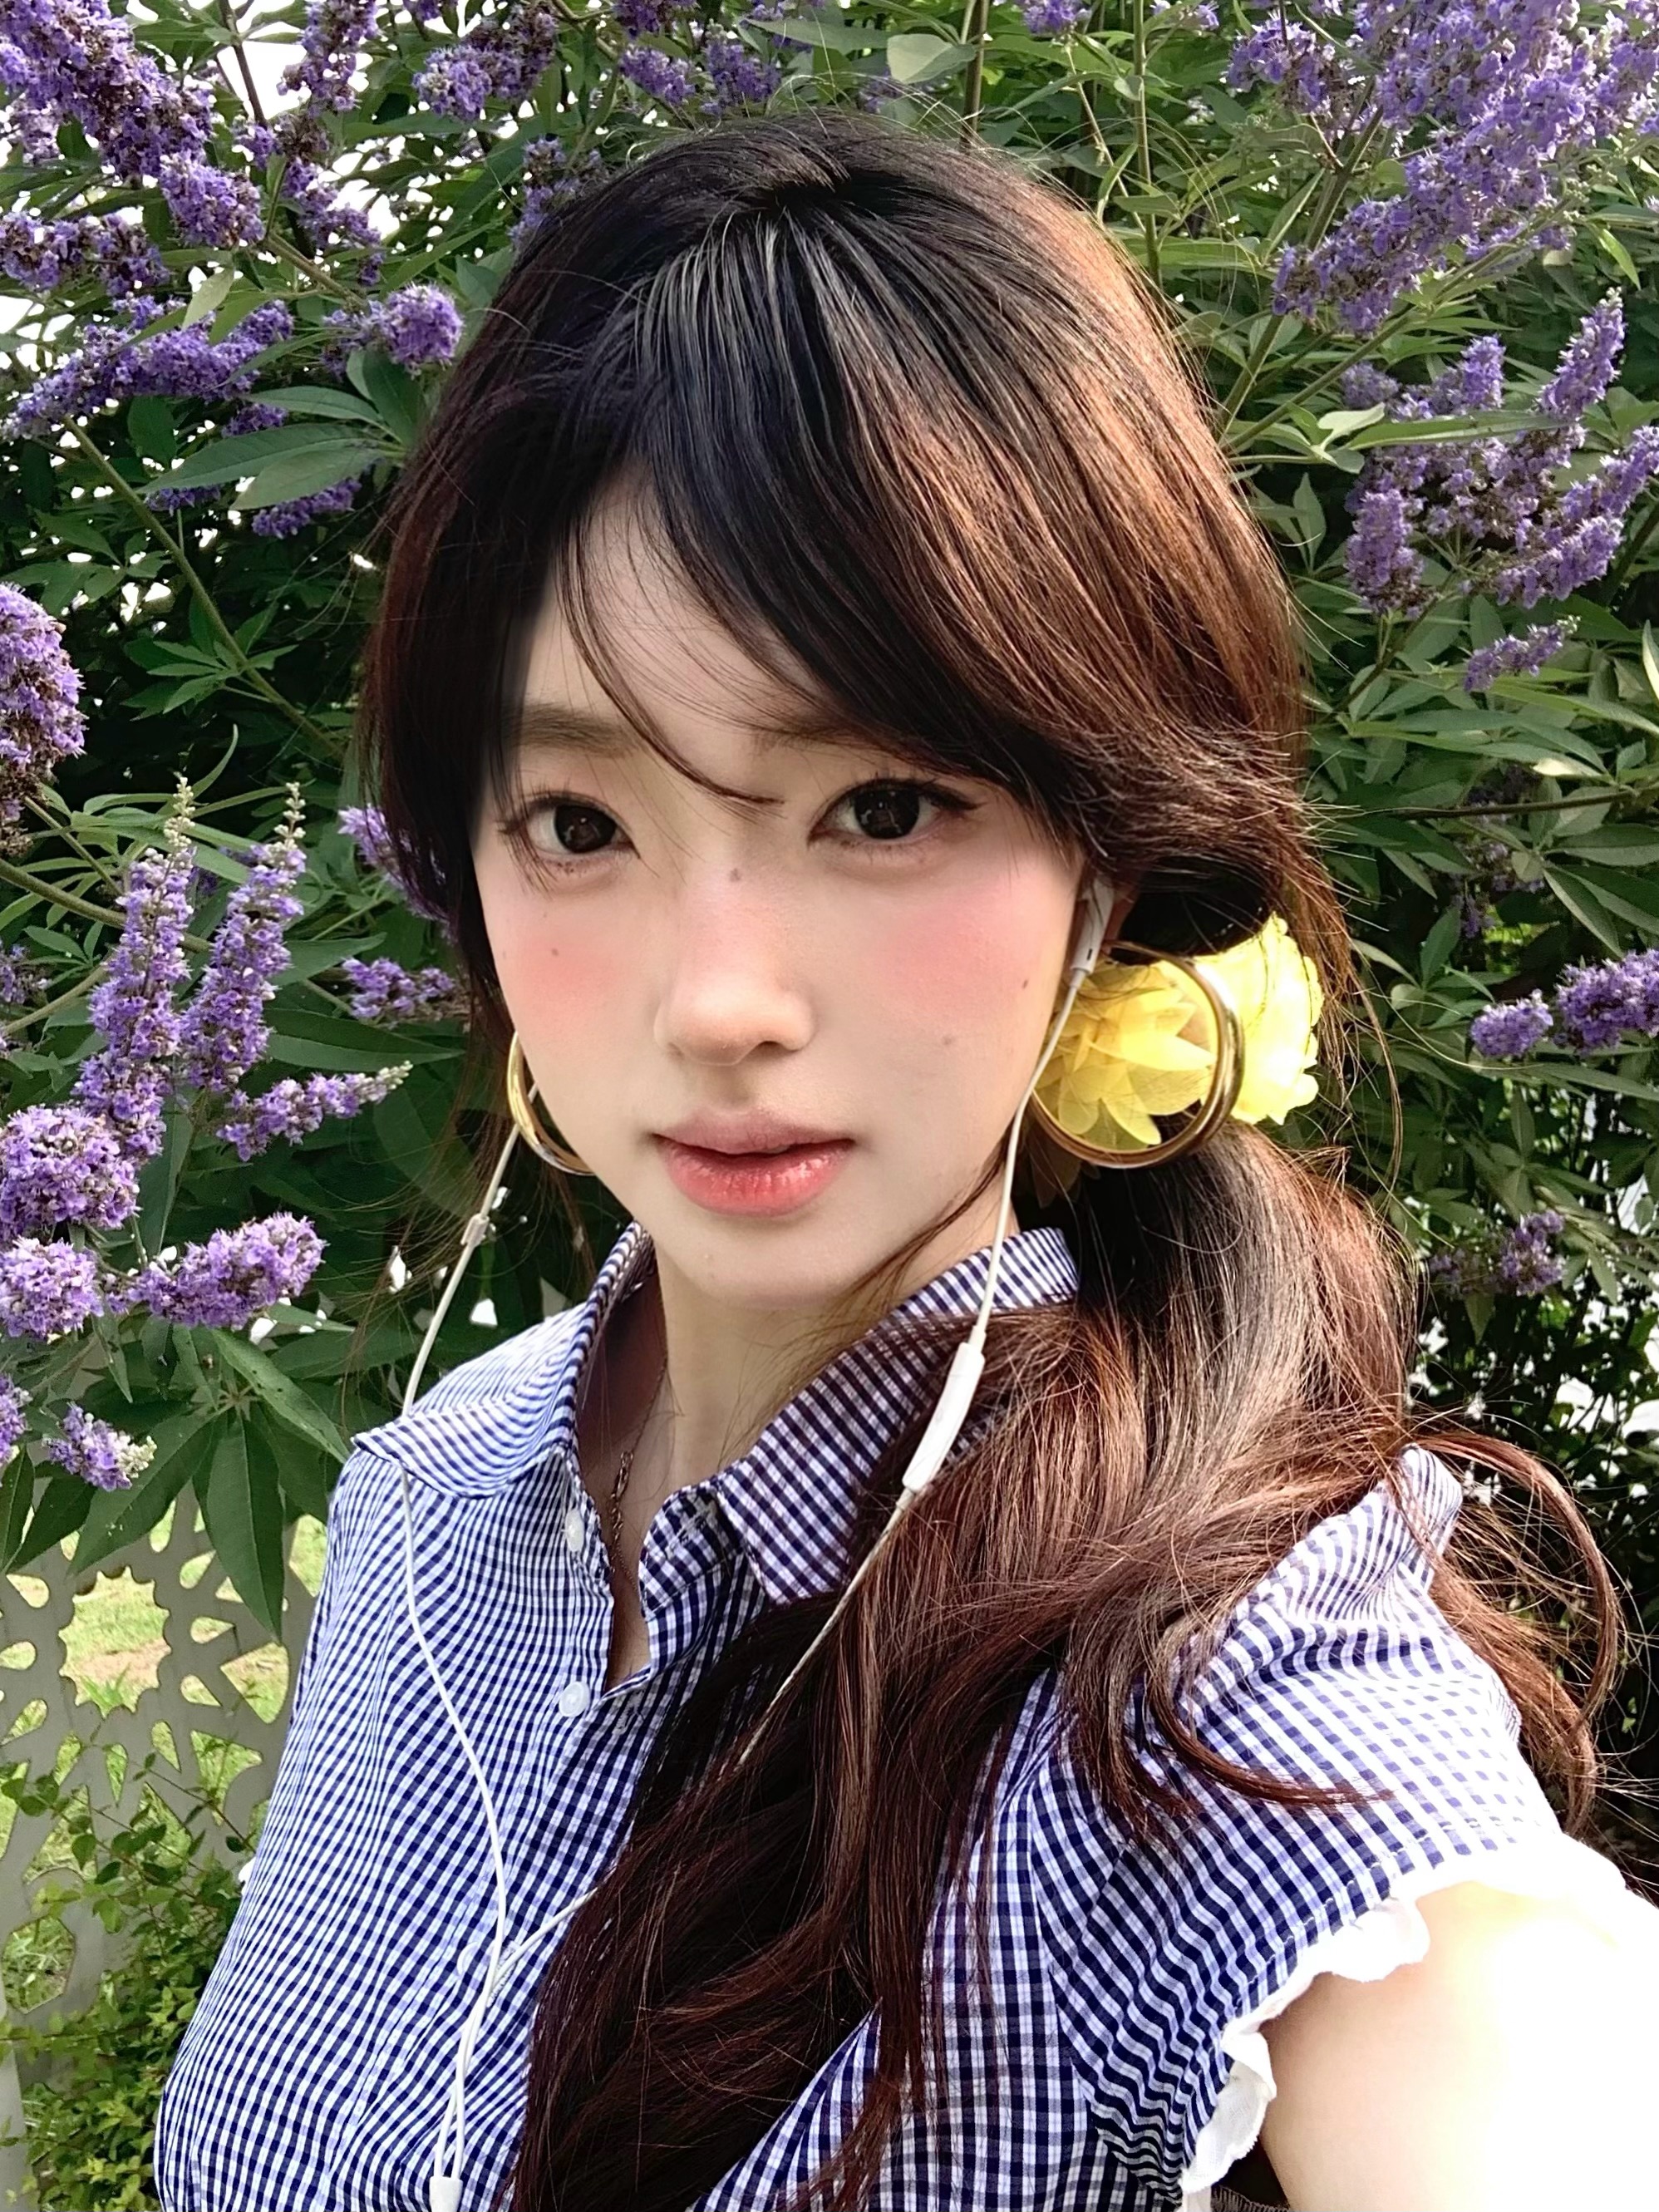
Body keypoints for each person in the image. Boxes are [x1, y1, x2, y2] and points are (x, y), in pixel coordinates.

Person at [154, 109, 1659, 2212]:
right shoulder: (433, 1494)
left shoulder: (1212, 1708)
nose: (717, 1001)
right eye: (577, 824)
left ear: (1107, 855)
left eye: (880, 807)